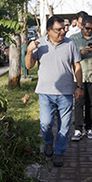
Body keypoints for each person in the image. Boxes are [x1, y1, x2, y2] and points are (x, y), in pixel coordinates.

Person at [25, 15, 83, 167]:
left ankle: (59, 152)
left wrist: (79, 86)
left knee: (64, 125)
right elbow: (29, 66)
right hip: (45, 92)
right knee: (46, 123)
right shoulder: (40, 44)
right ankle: (49, 142)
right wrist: (29, 51)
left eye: (63, 28)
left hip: (66, 92)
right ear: (49, 30)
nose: (62, 32)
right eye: (58, 30)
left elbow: (77, 66)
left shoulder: (70, 44)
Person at [69, 15, 92, 141]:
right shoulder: (73, 39)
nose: (89, 30)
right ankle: (78, 128)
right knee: (79, 103)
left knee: (91, 103)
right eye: (87, 28)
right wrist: (81, 53)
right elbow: (70, 57)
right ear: (81, 25)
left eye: (91, 28)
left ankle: (89, 127)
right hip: (79, 75)